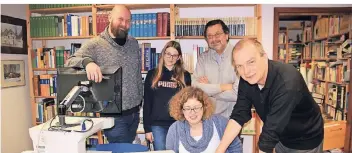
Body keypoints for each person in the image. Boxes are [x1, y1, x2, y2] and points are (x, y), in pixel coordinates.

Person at [216, 39, 324, 153]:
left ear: (264, 57)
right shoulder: (247, 79)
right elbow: (239, 114)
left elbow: (269, 136)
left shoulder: (287, 82)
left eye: (251, 62)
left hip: (305, 140)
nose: (246, 71)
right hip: (280, 138)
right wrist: (220, 149)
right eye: (239, 66)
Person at [65, 5, 143, 143]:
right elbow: (70, 62)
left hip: (134, 112)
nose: (124, 24)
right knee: (122, 150)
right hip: (112, 115)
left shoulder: (133, 43)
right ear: (109, 18)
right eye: (120, 19)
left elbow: (137, 74)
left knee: (128, 148)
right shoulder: (96, 44)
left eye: (128, 20)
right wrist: (88, 62)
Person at [143, 40, 192, 150]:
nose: (171, 58)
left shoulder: (185, 76)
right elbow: (147, 103)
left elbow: (188, 103)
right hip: (157, 125)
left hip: (178, 124)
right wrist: (147, 129)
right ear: (163, 54)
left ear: (179, 57)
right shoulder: (152, 74)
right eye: (168, 54)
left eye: (174, 55)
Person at [166, 86, 243, 153]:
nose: (192, 112)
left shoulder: (220, 123)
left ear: (204, 107)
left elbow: (236, 148)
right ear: (181, 110)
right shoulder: (174, 129)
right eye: (187, 108)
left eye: (196, 107)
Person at [192, 19, 239, 118]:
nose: (214, 39)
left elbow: (237, 93)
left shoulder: (239, 55)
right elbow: (196, 87)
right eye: (210, 36)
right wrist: (224, 87)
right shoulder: (203, 58)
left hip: (233, 117)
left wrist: (209, 90)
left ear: (226, 35)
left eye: (217, 34)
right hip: (207, 117)